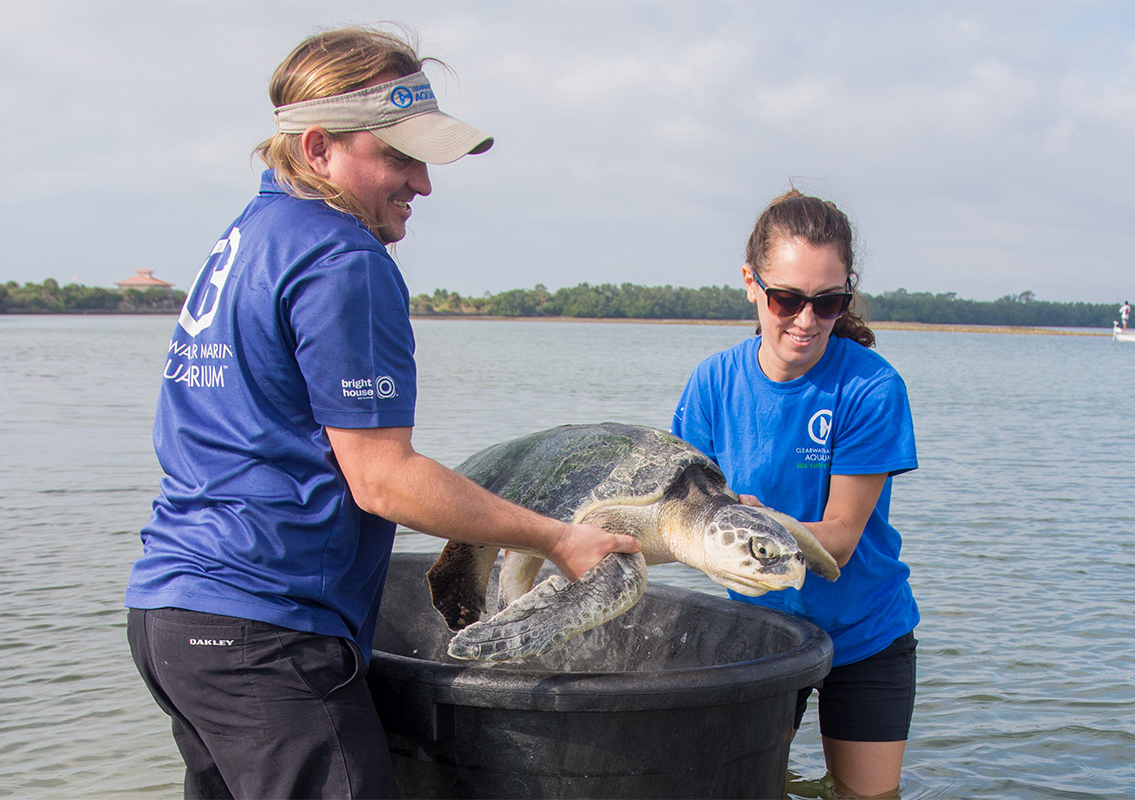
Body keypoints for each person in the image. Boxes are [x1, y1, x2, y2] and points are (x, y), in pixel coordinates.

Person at [125, 26, 639, 800]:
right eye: (398, 157)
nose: (423, 184)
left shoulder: (252, 235)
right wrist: (560, 538)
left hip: (173, 616)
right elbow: (384, 480)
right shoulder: (344, 260)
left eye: (424, 159)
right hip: (264, 630)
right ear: (318, 147)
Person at [671, 191, 918, 798]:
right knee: (751, 788)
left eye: (828, 302)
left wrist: (758, 522)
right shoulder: (711, 383)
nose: (806, 320)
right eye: (787, 299)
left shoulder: (871, 388)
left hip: (866, 634)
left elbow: (839, 540)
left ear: (846, 296)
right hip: (760, 635)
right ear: (752, 284)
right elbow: (677, 515)